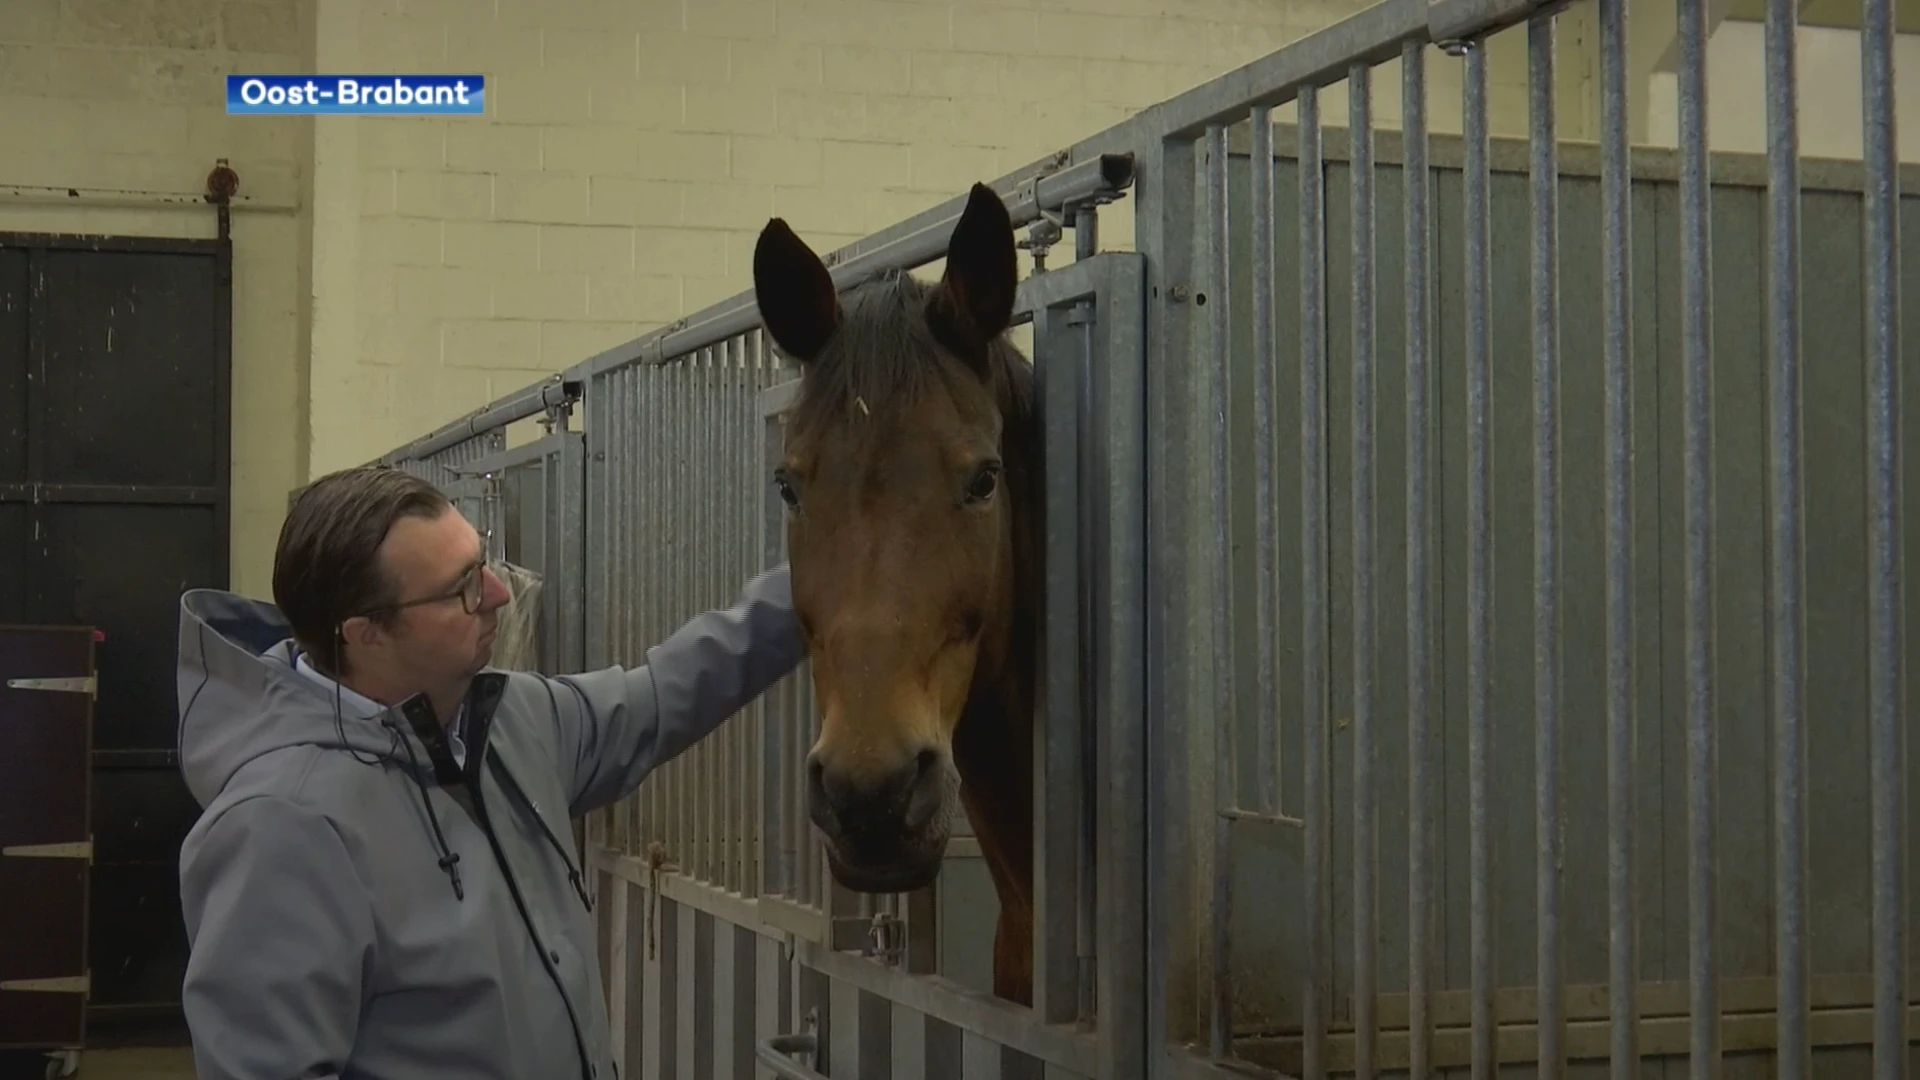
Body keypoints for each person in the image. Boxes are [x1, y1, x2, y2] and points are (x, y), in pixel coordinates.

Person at [172, 464, 804, 1080]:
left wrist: (825, 575)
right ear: (367, 634)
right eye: (463, 588)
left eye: (484, 563)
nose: (500, 594)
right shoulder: (281, 827)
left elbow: (668, 692)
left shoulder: (512, 718)